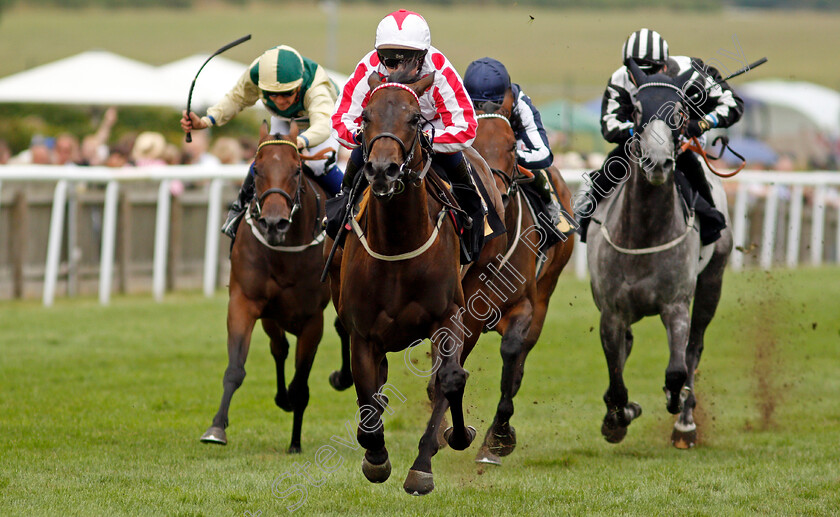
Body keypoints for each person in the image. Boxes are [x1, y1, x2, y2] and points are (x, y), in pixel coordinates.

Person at [576, 28, 744, 245]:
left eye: (653, 69)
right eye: (636, 71)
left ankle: (711, 229)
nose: (643, 77)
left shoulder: (693, 72)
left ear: (665, 65)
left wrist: (701, 124)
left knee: (694, 173)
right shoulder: (619, 80)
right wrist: (640, 130)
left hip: (680, 147)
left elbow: (733, 104)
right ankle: (585, 219)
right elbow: (609, 125)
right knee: (608, 170)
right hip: (636, 148)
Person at [330, 9, 482, 241]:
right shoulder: (369, 67)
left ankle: (474, 221)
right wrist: (365, 137)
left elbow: (466, 127)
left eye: (407, 59)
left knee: (464, 183)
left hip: (433, 130)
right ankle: (340, 215)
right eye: (390, 59)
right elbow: (340, 120)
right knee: (355, 167)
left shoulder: (439, 69)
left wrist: (424, 139)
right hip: (382, 135)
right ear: (379, 55)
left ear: (423, 56)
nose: (397, 67)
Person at [180, 45, 342, 240]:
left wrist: (297, 141)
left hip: (324, 119)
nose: (280, 101)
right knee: (267, 157)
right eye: (272, 94)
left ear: (299, 85)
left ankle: (348, 209)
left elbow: (323, 125)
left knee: (318, 164)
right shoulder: (256, 74)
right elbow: (235, 99)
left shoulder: (317, 88)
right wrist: (206, 121)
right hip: (286, 120)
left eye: (287, 93)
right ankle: (237, 210)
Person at [463, 57, 564, 226]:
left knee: (542, 172)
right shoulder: (458, 99)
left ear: (507, 96)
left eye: (496, 105)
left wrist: (507, 156)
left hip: (511, 149)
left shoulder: (521, 104)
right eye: (478, 105)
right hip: (476, 150)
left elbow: (544, 154)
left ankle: (550, 207)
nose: (487, 109)